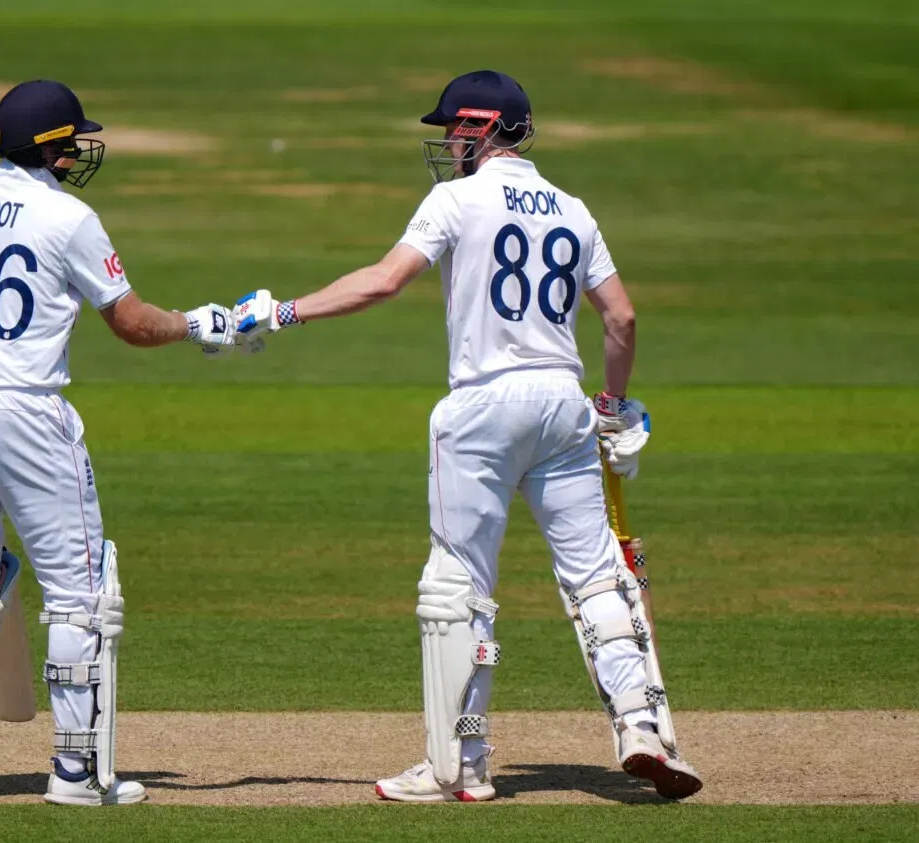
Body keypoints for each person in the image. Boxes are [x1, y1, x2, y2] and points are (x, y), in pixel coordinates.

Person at [233, 70, 702, 802]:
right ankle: (641, 726)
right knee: (595, 576)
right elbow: (622, 319)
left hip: (482, 407)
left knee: (460, 585)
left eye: (453, 128)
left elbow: (384, 282)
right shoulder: (574, 210)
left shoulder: (456, 198)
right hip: (562, 404)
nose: (447, 141)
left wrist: (283, 312)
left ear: (483, 128)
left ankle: (461, 765)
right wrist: (613, 405)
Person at [0, 79, 235, 805]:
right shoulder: (69, 217)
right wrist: (199, 323)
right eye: (71, 140)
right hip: (29, 416)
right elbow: (132, 323)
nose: (78, 150)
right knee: (81, 595)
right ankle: (77, 771)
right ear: (51, 148)